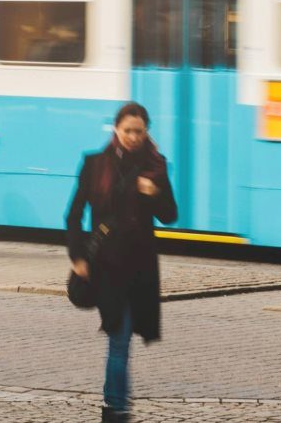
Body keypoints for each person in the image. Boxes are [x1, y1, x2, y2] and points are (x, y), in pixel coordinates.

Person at [66, 102, 178, 423]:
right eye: (127, 130)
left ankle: (114, 409)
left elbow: (170, 215)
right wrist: (77, 257)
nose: (132, 136)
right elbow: (73, 215)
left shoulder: (156, 166)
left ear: (146, 133)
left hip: (140, 269)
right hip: (106, 267)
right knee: (119, 338)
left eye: (138, 131)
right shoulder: (95, 164)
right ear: (116, 129)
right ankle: (117, 410)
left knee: (122, 340)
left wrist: (154, 191)